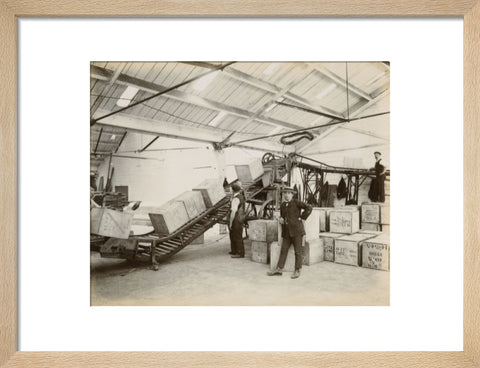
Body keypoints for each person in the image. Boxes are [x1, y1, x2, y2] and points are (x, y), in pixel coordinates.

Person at [267, 187, 312, 279]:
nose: (286, 195)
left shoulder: (297, 202)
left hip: (297, 232)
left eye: (288, 193)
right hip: (287, 232)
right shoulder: (283, 205)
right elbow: (282, 216)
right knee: (283, 251)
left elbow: (309, 207)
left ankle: (297, 270)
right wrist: (281, 219)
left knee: (298, 252)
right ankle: (279, 269)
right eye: (285, 193)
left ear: (292, 194)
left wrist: (303, 217)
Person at [228, 182, 246, 258]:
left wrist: (230, 223)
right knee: (233, 235)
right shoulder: (240, 196)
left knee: (237, 236)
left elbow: (233, 212)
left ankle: (240, 253)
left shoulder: (236, 199)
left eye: (230, 190)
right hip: (239, 219)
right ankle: (234, 250)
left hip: (236, 220)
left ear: (233, 190)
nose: (230, 191)